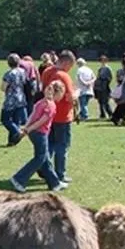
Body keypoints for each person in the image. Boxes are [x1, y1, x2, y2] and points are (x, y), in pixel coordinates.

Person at [9, 80, 68, 193]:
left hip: (33, 132)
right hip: (40, 133)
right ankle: (18, 179)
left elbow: (31, 116)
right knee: (40, 158)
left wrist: (26, 128)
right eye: (62, 93)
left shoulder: (41, 102)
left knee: (45, 158)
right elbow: (41, 121)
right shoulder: (51, 105)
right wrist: (27, 129)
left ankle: (55, 183)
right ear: (58, 92)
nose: (62, 96)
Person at [40, 50, 76, 184]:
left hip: (48, 115)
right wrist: (76, 96)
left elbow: (43, 89)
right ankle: (60, 173)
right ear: (66, 62)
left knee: (49, 144)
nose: (70, 69)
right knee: (62, 145)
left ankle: (45, 169)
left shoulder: (47, 71)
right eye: (70, 66)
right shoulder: (64, 76)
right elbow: (70, 97)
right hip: (63, 116)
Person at [0, 54, 28, 146]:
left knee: (5, 119)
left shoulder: (9, 74)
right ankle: (12, 141)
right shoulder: (23, 71)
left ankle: (17, 132)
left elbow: (3, 88)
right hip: (20, 98)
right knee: (16, 120)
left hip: (11, 99)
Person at [75, 58, 96, 122]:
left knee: (83, 104)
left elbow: (79, 78)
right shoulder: (89, 69)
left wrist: (85, 83)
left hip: (82, 89)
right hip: (89, 89)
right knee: (85, 104)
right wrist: (90, 82)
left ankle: (85, 116)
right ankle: (81, 114)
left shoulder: (79, 70)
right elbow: (94, 77)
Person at [93, 55, 113, 119]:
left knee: (105, 102)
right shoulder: (100, 69)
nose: (102, 61)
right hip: (99, 87)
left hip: (104, 87)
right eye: (101, 60)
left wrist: (105, 83)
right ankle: (102, 114)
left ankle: (110, 113)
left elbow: (110, 78)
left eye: (104, 60)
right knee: (100, 101)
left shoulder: (108, 68)